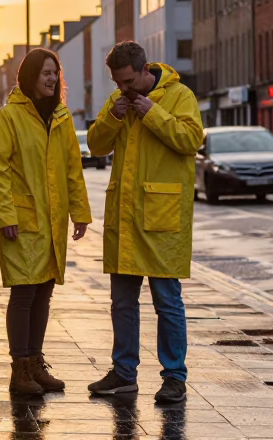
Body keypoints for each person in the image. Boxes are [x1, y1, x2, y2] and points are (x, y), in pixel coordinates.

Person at [86, 41, 203, 404]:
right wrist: (113, 116)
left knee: (167, 302)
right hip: (125, 217)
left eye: (128, 81)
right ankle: (123, 373)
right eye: (118, 82)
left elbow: (191, 140)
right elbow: (95, 146)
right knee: (122, 302)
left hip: (162, 217)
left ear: (143, 70)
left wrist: (152, 112)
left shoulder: (179, 95)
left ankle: (174, 377)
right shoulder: (116, 101)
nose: (123, 88)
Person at [0, 49, 91, 395]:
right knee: (24, 292)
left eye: (54, 72)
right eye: (45, 72)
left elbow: (72, 170)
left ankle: (35, 362)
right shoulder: (9, 117)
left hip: (53, 220)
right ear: (29, 76)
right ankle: (20, 369)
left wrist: (80, 214)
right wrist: (5, 215)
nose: (51, 78)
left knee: (44, 291)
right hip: (22, 220)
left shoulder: (61, 117)